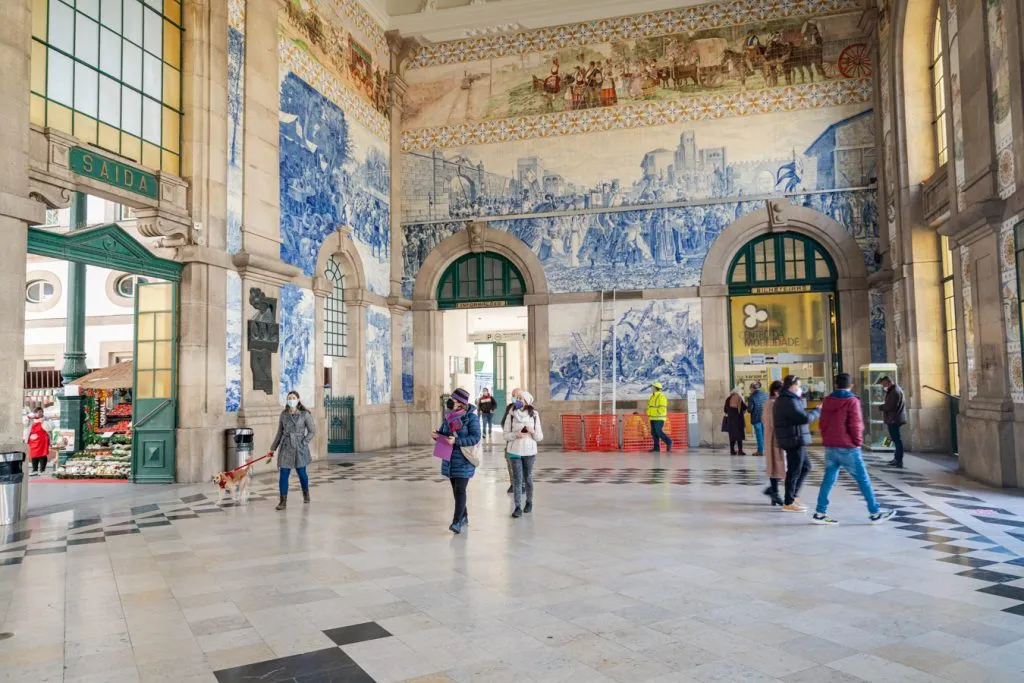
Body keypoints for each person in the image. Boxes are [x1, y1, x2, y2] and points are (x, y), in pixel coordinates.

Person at [813, 373, 896, 525]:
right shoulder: (851, 401)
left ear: (836, 385)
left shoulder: (827, 400)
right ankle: (875, 513)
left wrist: (827, 439)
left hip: (831, 447)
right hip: (848, 447)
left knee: (828, 480)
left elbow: (822, 423)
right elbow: (856, 424)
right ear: (850, 385)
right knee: (863, 480)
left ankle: (820, 512)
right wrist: (858, 442)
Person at [433, 387, 480, 534]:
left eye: (454, 400)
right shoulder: (449, 417)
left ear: (461, 402)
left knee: (460, 490)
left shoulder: (471, 418)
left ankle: (456, 522)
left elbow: (475, 437)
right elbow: (444, 432)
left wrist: (457, 441)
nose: (451, 402)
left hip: (464, 459)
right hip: (450, 459)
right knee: (456, 491)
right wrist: (437, 435)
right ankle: (464, 516)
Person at [773, 375, 820, 512]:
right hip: (793, 439)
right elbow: (804, 418)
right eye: (798, 386)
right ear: (792, 386)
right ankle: (788, 502)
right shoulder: (788, 401)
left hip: (795, 438)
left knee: (806, 466)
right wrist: (817, 411)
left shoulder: (789, 399)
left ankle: (793, 495)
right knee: (794, 470)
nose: (799, 389)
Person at [268, 391, 317, 510]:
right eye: (289, 398)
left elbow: (312, 431)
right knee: (283, 475)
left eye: (293, 398)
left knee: (302, 474)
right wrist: (272, 449)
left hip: (299, 447)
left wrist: (303, 442)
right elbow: (279, 432)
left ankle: (306, 493)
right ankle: (282, 502)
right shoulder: (283, 414)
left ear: (298, 399)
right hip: (285, 447)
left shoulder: (305, 414)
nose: (291, 400)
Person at [504, 391, 543, 518]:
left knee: (528, 478)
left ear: (527, 401)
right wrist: (516, 435)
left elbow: (539, 437)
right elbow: (505, 435)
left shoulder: (534, 415)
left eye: (521, 398)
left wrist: (532, 432)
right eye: (517, 398)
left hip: (529, 452)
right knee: (517, 479)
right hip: (514, 451)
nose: (518, 400)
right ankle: (517, 507)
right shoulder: (510, 414)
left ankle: (529, 502)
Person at [761, 381, 785, 506]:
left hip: (770, 437)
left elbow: (764, 420)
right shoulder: (774, 403)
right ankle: (774, 492)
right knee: (778, 464)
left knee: (774, 465)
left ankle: (773, 492)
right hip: (776, 437)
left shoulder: (767, 403)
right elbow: (773, 421)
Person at [879, 376, 907, 468]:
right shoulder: (892, 390)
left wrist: (882, 407)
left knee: (897, 440)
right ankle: (896, 458)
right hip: (893, 418)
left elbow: (892, 406)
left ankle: (899, 460)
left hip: (894, 419)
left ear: (888, 382)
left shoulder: (895, 391)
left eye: (883, 384)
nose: (883, 386)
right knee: (895, 440)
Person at [647, 382, 673, 453]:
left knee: (658, 431)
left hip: (659, 418)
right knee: (654, 433)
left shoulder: (661, 396)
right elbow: (649, 406)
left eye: (653, 387)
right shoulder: (652, 396)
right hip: (652, 417)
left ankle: (669, 442)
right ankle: (656, 448)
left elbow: (662, 408)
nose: (652, 388)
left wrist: (656, 412)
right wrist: (649, 413)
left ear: (655, 388)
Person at [723, 387, 748, 455]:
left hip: (731, 421)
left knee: (732, 436)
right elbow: (744, 407)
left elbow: (725, 410)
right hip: (738, 420)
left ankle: (732, 451)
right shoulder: (739, 398)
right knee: (739, 436)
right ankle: (740, 451)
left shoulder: (728, 399)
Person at [27, 408, 50, 477]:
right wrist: (28, 417)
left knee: (42, 454)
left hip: (43, 439)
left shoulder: (46, 419)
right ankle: (34, 470)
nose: (39, 413)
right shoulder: (31, 419)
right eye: (37, 412)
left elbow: (49, 428)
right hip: (33, 440)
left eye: (41, 412)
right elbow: (25, 424)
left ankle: (42, 470)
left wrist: (43, 422)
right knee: (34, 455)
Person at [748, 382, 768, 457]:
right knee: (764, 435)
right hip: (765, 417)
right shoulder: (765, 395)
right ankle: (765, 450)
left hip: (756, 418)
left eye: (750, 388)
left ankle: (760, 451)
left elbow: (750, 410)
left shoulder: (752, 397)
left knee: (759, 435)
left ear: (752, 388)